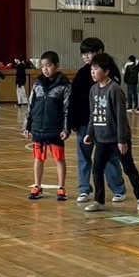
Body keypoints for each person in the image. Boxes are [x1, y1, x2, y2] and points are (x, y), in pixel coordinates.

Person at [83, 53, 139, 213]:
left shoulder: (114, 90)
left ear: (106, 71)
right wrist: (90, 133)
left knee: (129, 168)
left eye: (96, 69)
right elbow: (93, 114)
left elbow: (120, 117)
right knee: (97, 169)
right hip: (101, 140)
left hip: (117, 140)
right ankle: (99, 201)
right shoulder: (93, 90)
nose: (92, 72)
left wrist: (122, 140)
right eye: (92, 69)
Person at [67, 38, 127, 204]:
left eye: (90, 52)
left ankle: (118, 189)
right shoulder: (81, 74)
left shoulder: (110, 75)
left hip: (104, 125)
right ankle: (84, 189)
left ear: (100, 52)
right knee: (84, 158)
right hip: (84, 124)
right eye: (84, 53)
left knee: (108, 158)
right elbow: (73, 100)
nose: (87, 56)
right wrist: (71, 122)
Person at [24, 51, 70, 201]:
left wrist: (65, 128)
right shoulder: (37, 84)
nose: (45, 69)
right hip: (38, 129)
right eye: (43, 66)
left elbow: (67, 109)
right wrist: (27, 125)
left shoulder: (64, 86)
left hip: (55, 130)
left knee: (59, 159)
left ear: (56, 66)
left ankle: (61, 187)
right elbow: (30, 105)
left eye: (48, 66)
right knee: (38, 159)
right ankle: (37, 185)